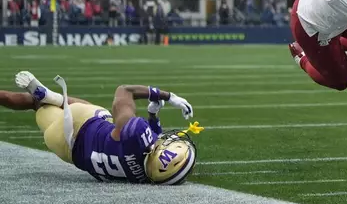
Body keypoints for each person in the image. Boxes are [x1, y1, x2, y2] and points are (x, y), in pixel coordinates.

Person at [0, 71, 200, 184]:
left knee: (45, 102)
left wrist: (167, 96)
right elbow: (149, 148)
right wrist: (153, 115)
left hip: (85, 120)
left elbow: (125, 91)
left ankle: (53, 97)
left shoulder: (136, 135)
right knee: (38, 106)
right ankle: (50, 98)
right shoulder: (145, 177)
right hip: (65, 147)